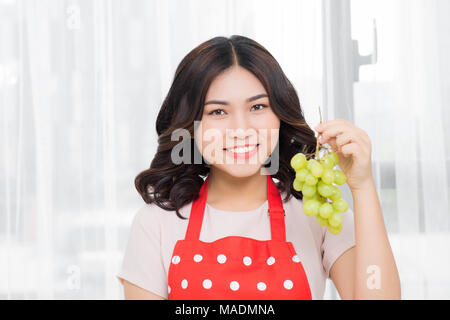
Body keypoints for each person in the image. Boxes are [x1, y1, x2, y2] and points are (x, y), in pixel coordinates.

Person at [116, 35, 401, 300]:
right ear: (192, 126)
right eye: (218, 112)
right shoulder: (156, 224)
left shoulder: (315, 214)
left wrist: (362, 186)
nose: (241, 129)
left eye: (258, 107)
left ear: (279, 115)